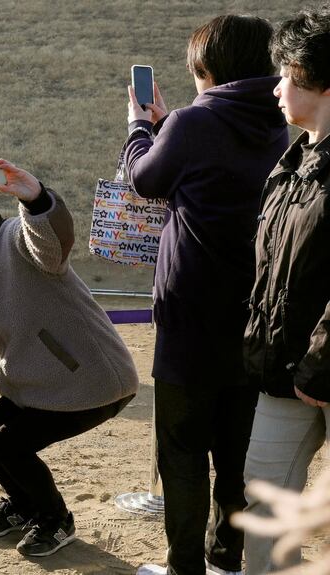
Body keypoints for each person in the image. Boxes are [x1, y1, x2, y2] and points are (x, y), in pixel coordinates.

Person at [123, 14, 289, 575]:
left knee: (184, 451)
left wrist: (141, 129)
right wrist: (173, 126)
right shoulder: (280, 123)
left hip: (190, 316)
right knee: (235, 455)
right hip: (254, 315)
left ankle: (183, 567)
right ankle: (227, 560)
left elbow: (144, 179)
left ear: (206, 67)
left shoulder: (193, 122)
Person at [0, 157, 139, 558]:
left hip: (90, 381)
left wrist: (36, 199)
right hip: (35, 388)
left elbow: (51, 243)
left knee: (11, 446)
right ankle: (24, 505)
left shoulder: (15, 237)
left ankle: (55, 519)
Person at [241, 7, 330, 573]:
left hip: (318, 366)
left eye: (286, 75)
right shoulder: (292, 163)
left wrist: (320, 364)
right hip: (286, 369)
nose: (276, 89)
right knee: (265, 496)